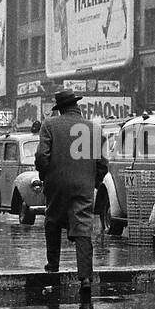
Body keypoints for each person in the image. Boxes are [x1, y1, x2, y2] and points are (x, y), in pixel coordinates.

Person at [36, 88, 108, 291]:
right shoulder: (93, 128)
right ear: (77, 106)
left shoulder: (50, 125)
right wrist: (93, 181)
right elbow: (102, 163)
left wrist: (45, 175)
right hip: (84, 185)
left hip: (56, 183)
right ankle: (85, 277)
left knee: (52, 220)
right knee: (83, 227)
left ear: (60, 109)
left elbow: (42, 156)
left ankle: (53, 266)